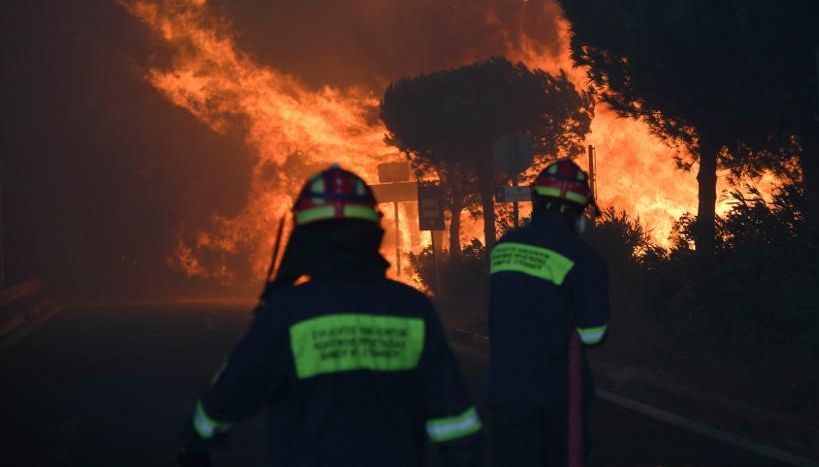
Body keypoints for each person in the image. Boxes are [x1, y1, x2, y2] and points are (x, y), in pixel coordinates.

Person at [178, 165, 482, 467]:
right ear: (372, 234)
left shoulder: (287, 312)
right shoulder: (413, 309)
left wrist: (196, 439)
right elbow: (455, 419)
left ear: (305, 240)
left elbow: (231, 394)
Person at [487, 158, 609, 467]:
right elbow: (594, 334)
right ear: (579, 210)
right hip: (558, 394)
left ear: (537, 200)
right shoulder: (584, 258)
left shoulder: (504, 247)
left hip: (505, 390)